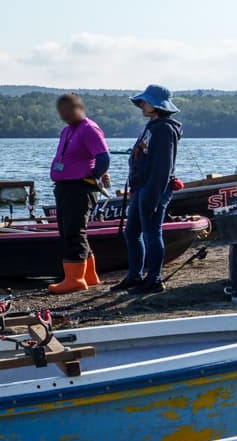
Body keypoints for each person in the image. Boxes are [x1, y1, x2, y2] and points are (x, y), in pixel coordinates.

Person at [115, 84, 184, 293]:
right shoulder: (153, 126)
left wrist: (153, 198)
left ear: (156, 105)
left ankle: (154, 279)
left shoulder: (164, 129)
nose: (142, 105)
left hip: (154, 189)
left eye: (145, 101)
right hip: (142, 187)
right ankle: (134, 276)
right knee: (132, 232)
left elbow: (163, 167)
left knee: (151, 234)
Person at [45, 92, 111, 293]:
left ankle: (74, 279)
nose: (64, 114)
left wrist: (93, 177)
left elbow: (103, 158)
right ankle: (89, 276)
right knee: (69, 230)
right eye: (61, 111)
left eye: (68, 109)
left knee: (74, 231)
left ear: (79, 108)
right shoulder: (67, 131)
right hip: (65, 186)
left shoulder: (89, 128)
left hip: (80, 186)